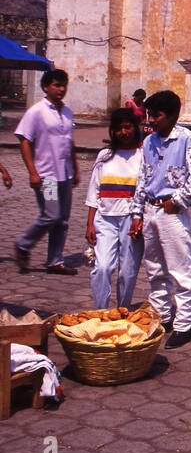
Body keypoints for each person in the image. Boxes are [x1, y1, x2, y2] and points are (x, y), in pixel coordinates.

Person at [128, 90, 191, 349]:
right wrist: (136, 213)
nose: (151, 120)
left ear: (173, 116)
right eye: (149, 115)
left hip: (172, 213)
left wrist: (178, 200)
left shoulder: (187, 140)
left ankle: (184, 324)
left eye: (157, 116)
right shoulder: (150, 142)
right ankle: (163, 317)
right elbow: (142, 178)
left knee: (180, 271)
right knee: (155, 269)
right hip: (150, 211)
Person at [13, 68, 79, 275]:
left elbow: (70, 142)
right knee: (51, 215)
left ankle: (54, 261)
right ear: (45, 87)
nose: (61, 89)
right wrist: (32, 172)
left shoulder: (67, 112)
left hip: (65, 175)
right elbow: (24, 140)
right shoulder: (36, 111)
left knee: (62, 220)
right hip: (47, 176)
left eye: (63, 85)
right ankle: (23, 244)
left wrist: (76, 169)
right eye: (56, 85)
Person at [84, 108, 145, 310]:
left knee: (127, 271)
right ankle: (101, 313)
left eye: (127, 127)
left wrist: (141, 218)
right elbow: (94, 190)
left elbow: (146, 191)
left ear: (135, 128)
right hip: (105, 219)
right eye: (118, 128)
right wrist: (90, 224)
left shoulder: (143, 155)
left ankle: (122, 311)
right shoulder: (104, 156)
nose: (123, 132)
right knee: (102, 268)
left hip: (131, 220)